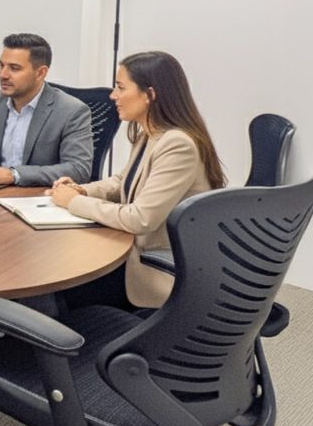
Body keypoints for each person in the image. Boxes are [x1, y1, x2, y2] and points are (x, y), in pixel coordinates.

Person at [47, 51, 226, 309]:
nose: (112, 96)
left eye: (120, 88)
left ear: (149, 94)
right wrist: (81, 191)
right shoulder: (150, 134)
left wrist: (73, 203)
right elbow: (122, 182)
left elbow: (140, 218)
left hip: (157, 267)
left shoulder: (178, 144)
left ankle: (46, 345)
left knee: (60, 282)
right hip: (136, 251)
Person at [0, 33, 94, 186]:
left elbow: (78, 169)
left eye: (14, 68)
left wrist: (14, 175)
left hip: (41, 199)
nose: (3, 75)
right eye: (2, 65)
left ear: (40, 73)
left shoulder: (72, 111)